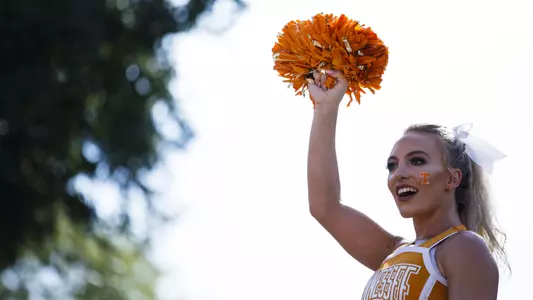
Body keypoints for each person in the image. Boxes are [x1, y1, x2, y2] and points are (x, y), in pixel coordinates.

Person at [306, 70, 508, 300]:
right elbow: (324, 206)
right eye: (392, 165)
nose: (399, 174)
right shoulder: (394, 252)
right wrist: (325, 109)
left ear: (452, 178)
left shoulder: (464, 248)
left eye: (417, 161)